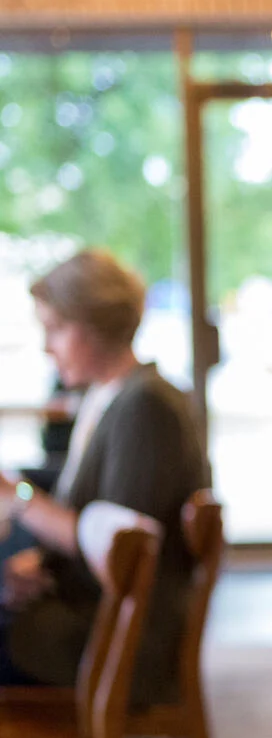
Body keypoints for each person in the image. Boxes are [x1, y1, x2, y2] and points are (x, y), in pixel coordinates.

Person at [0, 249, 210, 709]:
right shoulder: (114, 396)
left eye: (55, 329)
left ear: (94, 326)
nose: (46, 346)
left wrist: (17, 496)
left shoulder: (146, 407)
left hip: (124, 650)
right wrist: (42, 566)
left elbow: (122, 552)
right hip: (99, 623)